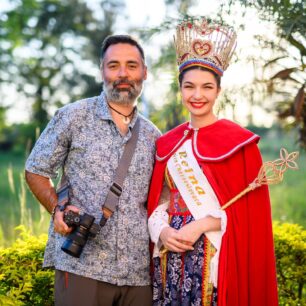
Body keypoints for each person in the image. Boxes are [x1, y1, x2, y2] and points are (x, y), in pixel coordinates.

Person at [147, 18, 278, 306]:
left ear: (218, 91)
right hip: (170, 254)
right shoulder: (167, 143)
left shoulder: (240, 144)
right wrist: (163, 231)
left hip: (215, 253)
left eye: (207, 87)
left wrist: (203, 223)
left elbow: (248, 216)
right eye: (189, 86)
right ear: (180, 89)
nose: (197, 95)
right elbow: (160, 201)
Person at [25, 34, 160, 306]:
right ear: (102, 70)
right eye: (114, 65)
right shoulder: (72, 116)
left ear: (145, 72)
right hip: (81, 266)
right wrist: (57, 208)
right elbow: (36, 169)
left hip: (137, 274)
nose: (123, 74)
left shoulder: (154, 136)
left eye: (132, 65)